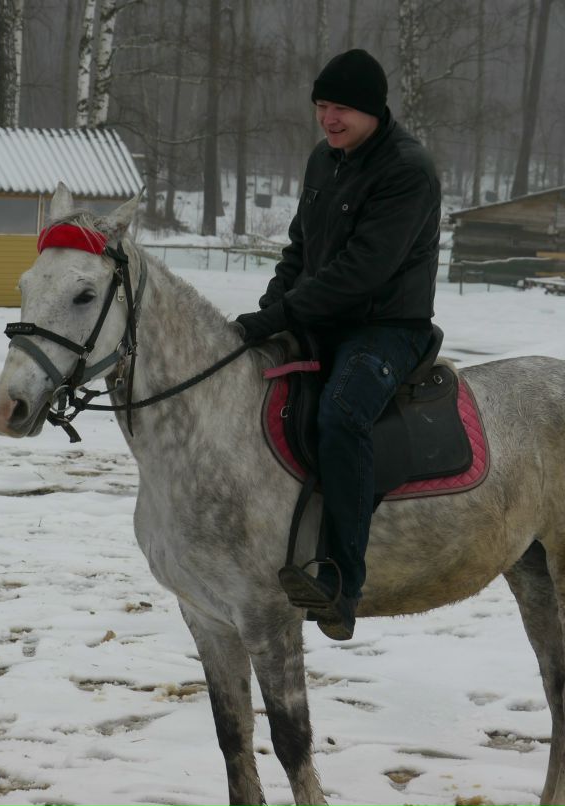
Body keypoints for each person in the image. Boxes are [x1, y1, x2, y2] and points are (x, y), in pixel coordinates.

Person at [232, 49, 441, 641]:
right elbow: (299, 251)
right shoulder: (324, 161)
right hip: (322, 319)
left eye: (340, 108)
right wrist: (270, 315)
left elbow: (364, 270)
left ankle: (340, 582)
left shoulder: (408, 170)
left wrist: (280, 314)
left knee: (342, 413)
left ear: (372, 109)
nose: (328, 118)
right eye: (322, 106)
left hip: (386, 329)